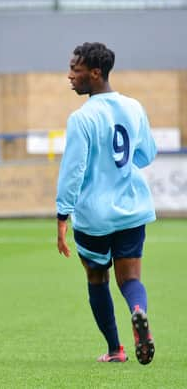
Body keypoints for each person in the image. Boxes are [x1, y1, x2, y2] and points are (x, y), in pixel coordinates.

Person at [56, 42, 156, 365]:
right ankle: (138, 311)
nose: (70, 76)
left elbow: (73, 170)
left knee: (97, 278)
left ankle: (116, 349)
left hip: (94, 216)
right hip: (131, 209)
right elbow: (146, 154)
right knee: (131, 280)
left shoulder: (81, 118)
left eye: (75, 69)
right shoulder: (133, 107)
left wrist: (62, 214)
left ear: (95, 73)